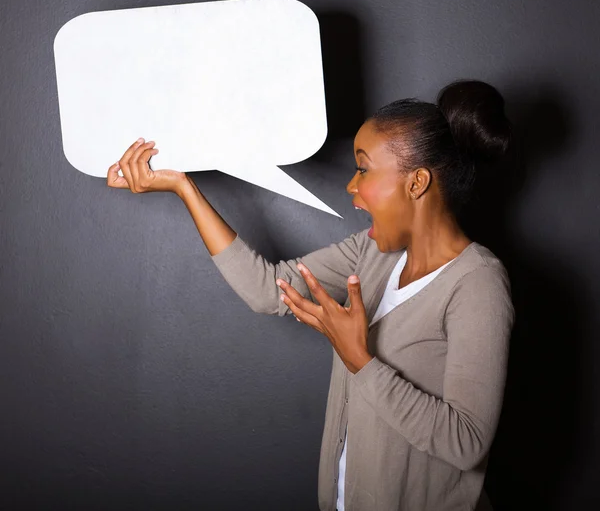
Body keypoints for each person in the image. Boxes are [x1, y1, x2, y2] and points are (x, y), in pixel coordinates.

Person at [107, 79, 515, 511]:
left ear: (416, 183)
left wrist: (359, 358)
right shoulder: (372, 253)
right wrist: (183, 187)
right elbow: (269, 290)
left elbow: (467, 443)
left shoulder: (478, 283)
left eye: (364, 169)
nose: (351, 186)